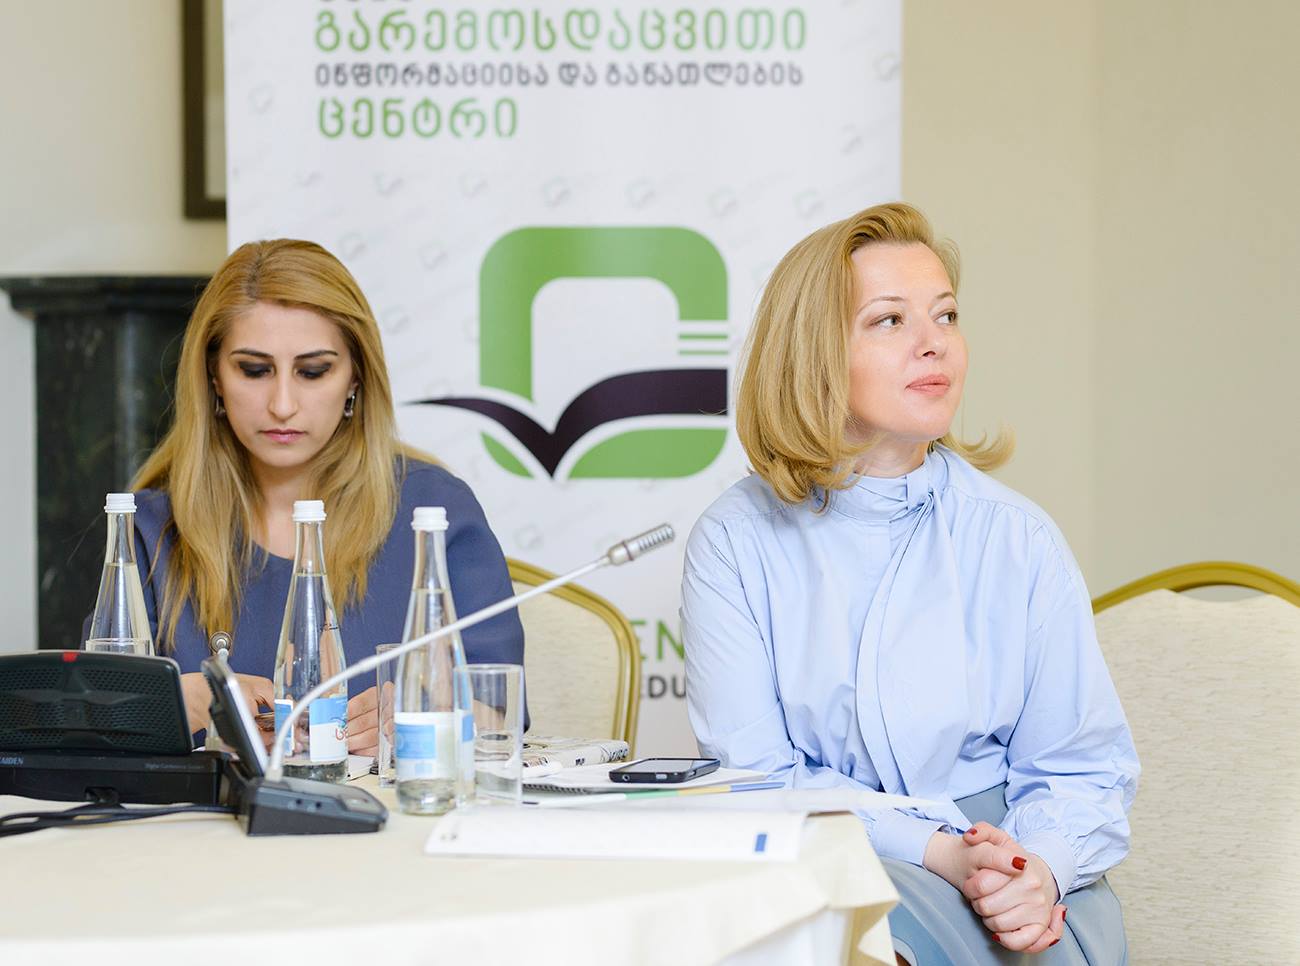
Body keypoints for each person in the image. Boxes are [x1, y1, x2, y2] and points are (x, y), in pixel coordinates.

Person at [681, 203, 1138, 964]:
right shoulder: (734, 541)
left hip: (1013, 870)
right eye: (889, 320)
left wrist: (1037, 870)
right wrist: (936, 849)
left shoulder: (1018, 537)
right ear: (813, 354)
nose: (935, 343)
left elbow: (1082, 769)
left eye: (946, 315)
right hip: (827, 856)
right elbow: (756, 781)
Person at [121, 239, 524, 754]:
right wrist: (178, 701)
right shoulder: (150, 526)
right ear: (213, 377)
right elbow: (87, 719)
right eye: (254, 370)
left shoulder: (434, 511)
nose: (283, 404)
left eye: (313, 372)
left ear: (356, 377)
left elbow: (501, 719)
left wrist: (431, 714)